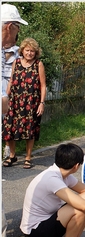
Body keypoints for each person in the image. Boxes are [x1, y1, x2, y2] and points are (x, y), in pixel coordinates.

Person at [2, 38, 46, 169]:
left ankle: (28, 157)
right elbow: (11, 81)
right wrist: (5, 97)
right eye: (27, 50)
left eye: (32, 51)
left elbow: (43, 86)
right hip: (14, 101)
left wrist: (42, 103)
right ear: (22, 51)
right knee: (8, 128)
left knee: (29, 130)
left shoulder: (38, 64)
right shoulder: (16, 62)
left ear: (36, 52)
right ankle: (12, 156)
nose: (29, 53)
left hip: (31, 103)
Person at [2, 4, 28, 160]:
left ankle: (8, 148)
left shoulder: (18, 53)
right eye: (17, 27)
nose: (18, 32)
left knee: (8, 120)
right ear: (10, 27)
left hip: (10, 90)